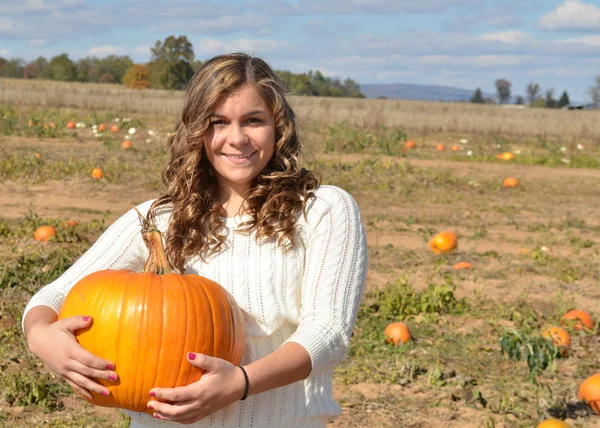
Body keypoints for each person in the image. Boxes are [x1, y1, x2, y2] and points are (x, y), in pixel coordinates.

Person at [22, 53, 368, 427]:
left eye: (253, 121)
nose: (237, 139)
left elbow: (328, 333)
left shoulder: (323, 210)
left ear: (278, 126)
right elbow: (52, 297)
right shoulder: (163, 218)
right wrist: (41, 336)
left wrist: (241, 383)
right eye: (218, 123)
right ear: (198, 132)